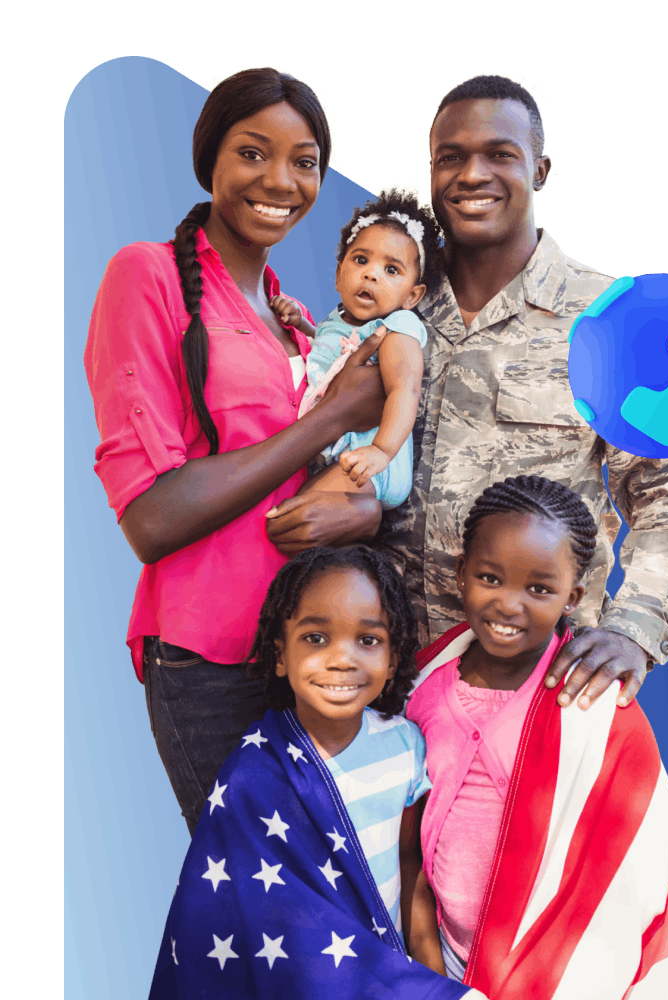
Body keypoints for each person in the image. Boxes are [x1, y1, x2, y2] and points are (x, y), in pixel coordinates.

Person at [267, 72, 668, 715]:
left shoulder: (608, 321)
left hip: (530, 689)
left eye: (499, 154)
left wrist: (636, 625)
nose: (471, 175)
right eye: (450, 157)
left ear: (541, 168)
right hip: (376, 682)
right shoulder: (388, 301)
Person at [83, 66, 388, 837]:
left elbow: (322, 478)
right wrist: (330, 417)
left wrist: (356, 507)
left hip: (308, 652)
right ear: (208, 158)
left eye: (304, 162)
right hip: (209, 659)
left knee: (326, 887)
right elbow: (151, 518)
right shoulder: (147, 276)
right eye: (253, 153)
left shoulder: (295, 320)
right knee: (257, 891)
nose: (279, 181)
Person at [149, 544, 488, 999]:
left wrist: (434, 981)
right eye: (315, 638)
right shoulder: (253, 774)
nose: (342, 659)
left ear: (392, 660)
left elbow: (410, 868)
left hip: (384, 974)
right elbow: (254, 911)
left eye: (368, 640)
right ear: (279, 655)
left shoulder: (406, 745)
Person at [406, 474, 668, 999]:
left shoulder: (592, 709)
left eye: (538, 589)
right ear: (461, 574)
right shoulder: (423, 691)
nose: (509, 605)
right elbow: (409, 850)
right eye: (490, 578)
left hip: (552, 970)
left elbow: (634, 861)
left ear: (572, 597)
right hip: (441, 956)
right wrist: (431, 970)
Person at [268, 183, 444, 510]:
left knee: (294, 513)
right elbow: (330, 352)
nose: (371, 275)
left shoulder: (397, 327)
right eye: (361, 260)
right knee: (289, 509)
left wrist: (381, 451)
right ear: (338, 275)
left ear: (412, 296)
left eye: (391, 270)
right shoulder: (337, 319)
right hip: (336, 454)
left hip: (370, 463)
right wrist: (301, 324)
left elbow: (405, 389)